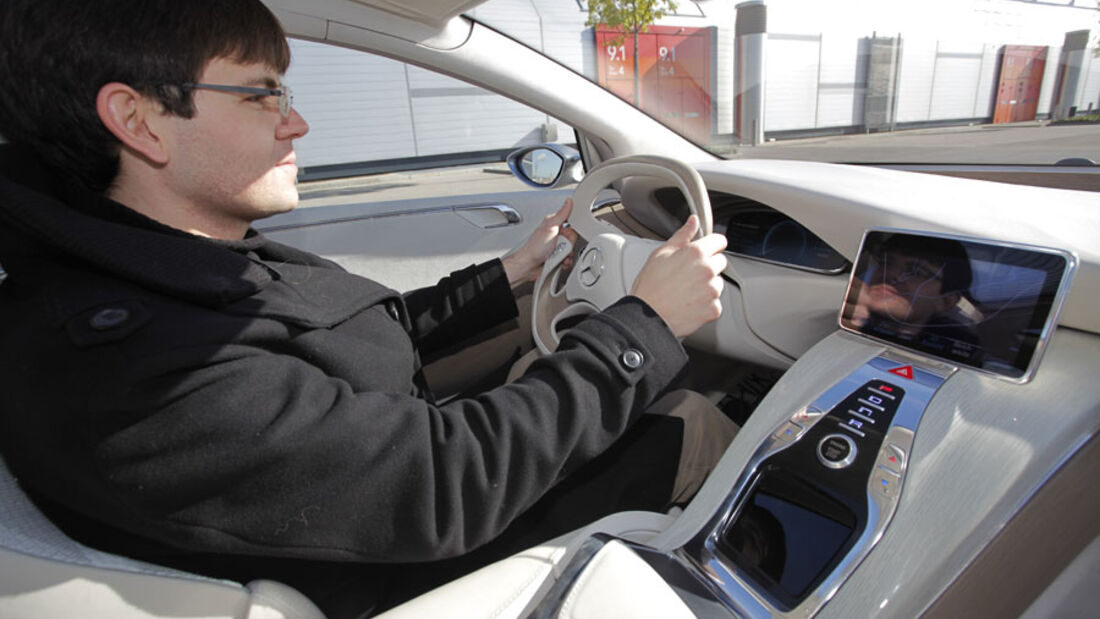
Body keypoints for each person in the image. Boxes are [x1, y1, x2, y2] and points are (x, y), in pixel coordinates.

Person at [0, 0, 734, 616]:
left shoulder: (159, 263)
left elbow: (356, 334)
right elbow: (446, 482)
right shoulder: (132, 373)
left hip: (390, 492)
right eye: (260, 94)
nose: (296, 124)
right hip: (421, 566)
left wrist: (515, 270)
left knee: (543, 366)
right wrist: (646, 325)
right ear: (138, 119)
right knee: (690, 420)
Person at [847, 234, 981, 361]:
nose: (891, 274)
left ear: (945, 302)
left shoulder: (957, 356)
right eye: (885, 262)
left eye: (916, 271)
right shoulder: (840, 308)